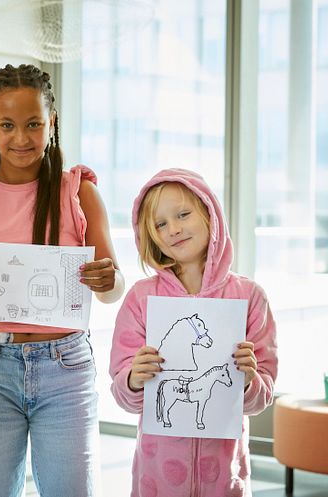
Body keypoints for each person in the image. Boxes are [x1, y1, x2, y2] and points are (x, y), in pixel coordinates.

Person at [0, 63, 125, 497]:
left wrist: (107, 278)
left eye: (33, 124)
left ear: (51, 122)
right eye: (6, 125)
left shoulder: (78, 191)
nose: (20, 138)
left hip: (66, 367)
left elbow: (115, 288)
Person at [109, 168, 277, 497]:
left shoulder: (250, 297)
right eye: (160, 224)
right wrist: (133, 378)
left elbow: (263, 394)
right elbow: (122, 393)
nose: (173, 229)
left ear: (209, 214)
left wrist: (247, 379)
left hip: (224, 475)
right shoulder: (141, 299)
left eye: (183, 214)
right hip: (157, 477)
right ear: (150, 235)